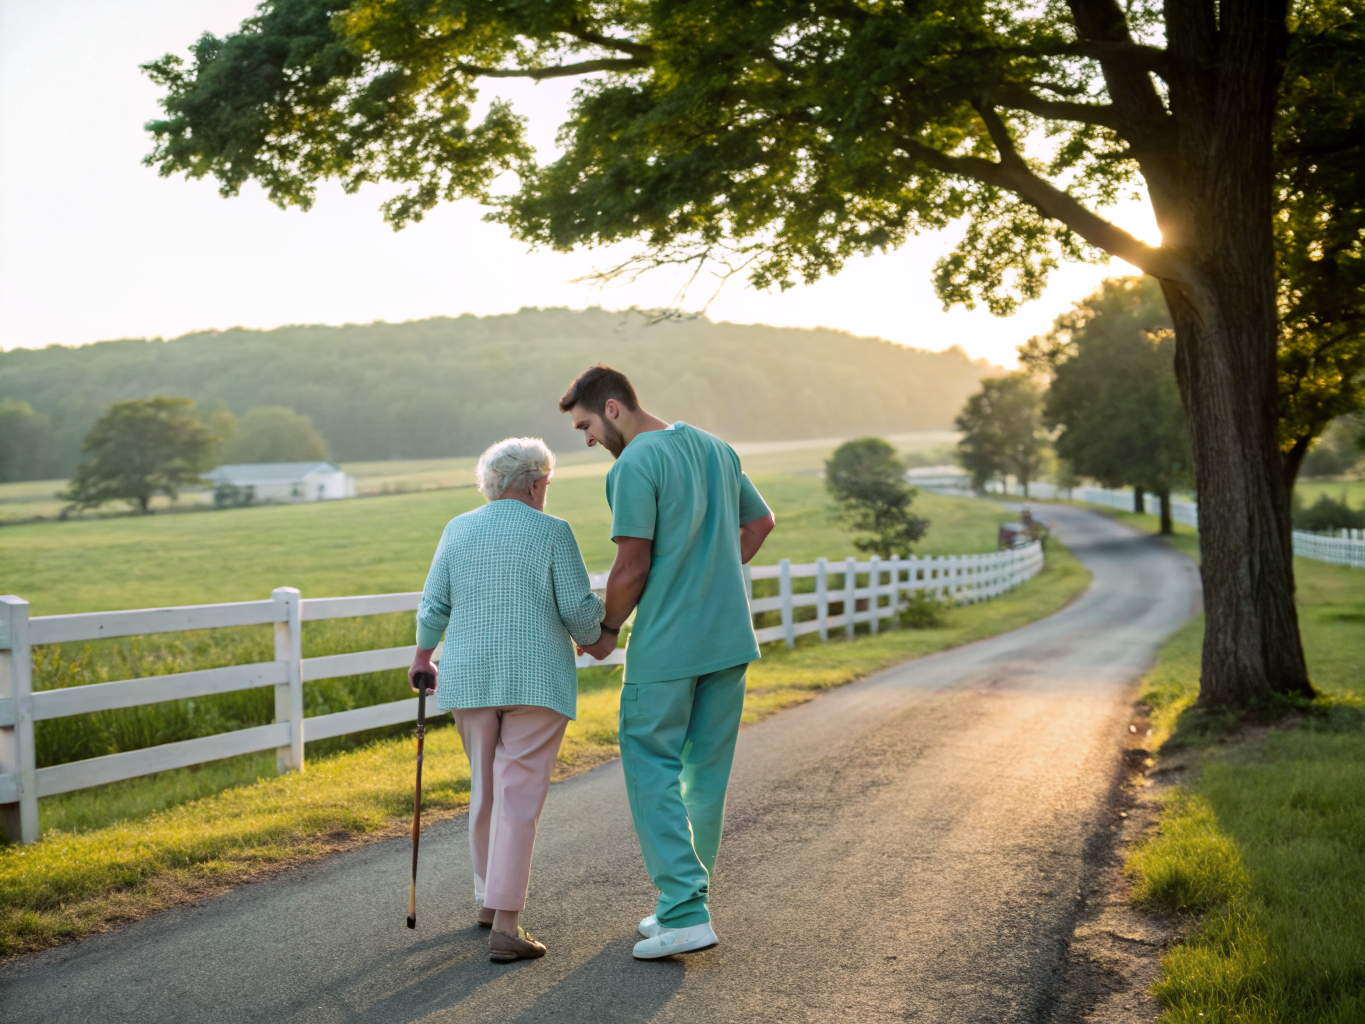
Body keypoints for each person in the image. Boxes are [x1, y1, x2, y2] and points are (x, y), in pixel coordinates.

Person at [562, 365, 775, 960]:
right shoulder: (715, 447)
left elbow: (632, 565)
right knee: (703, 777)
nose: (586, 440)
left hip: (669, 646)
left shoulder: (635, 464)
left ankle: (683, 912)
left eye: (584, 426)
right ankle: (682, 905)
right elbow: (760, 523)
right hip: (729, 641)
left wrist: (606, 630)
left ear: (611, 409)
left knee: (651, 767)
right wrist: (712, 579)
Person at [408, 437, 604, 964]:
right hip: (536, 680)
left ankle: (486, 902)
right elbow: (579, 609)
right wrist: (600, 633)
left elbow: (434, 604)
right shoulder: (553, 532)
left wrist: (424, 658)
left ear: (492, 484)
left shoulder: (459, 528)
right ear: (538, 484)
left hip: (469, 678)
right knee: (518, 795)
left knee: (486, 789)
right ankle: (508, 924)